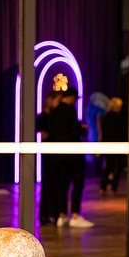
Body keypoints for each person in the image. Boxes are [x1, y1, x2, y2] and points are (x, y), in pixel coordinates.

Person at [46, 86, 92, 228]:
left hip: (58, 155)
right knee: (77, 184)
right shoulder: (70, 110)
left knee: (62, 185)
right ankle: (75, 215)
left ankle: (62, 215)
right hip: (73, 155)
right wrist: (83, 128)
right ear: (72, 98)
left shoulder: (54, 111)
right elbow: (75, 130)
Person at [36, 90, 62, 225]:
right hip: (49, 156)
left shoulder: (56, 116)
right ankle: (45, 215)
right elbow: (44, 134)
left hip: (55, 154)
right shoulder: (45, 117)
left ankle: (54, 214)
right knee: (48, 186)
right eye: (58, 100)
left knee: (56, 186)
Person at [99, 96, 127, 196]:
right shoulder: (118, 118)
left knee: (108, 166)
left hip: (108, 145)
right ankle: (113, 187)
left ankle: (103, 187)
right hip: (117, 145)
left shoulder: (105, 117)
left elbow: (103, 132)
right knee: (117, 167)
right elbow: (121, 132)